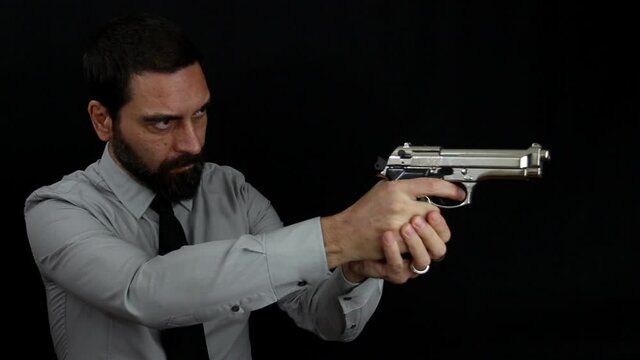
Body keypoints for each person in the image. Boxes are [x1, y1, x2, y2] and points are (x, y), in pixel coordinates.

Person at [24, 13, 465, 360]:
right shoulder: (56, 209)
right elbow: (144, 292)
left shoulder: (230, 190)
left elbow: (320, 316)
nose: (193, 142)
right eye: (163, 122)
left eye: (200, 113)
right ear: (103, 120)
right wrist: (340, 235)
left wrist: (354, 269)